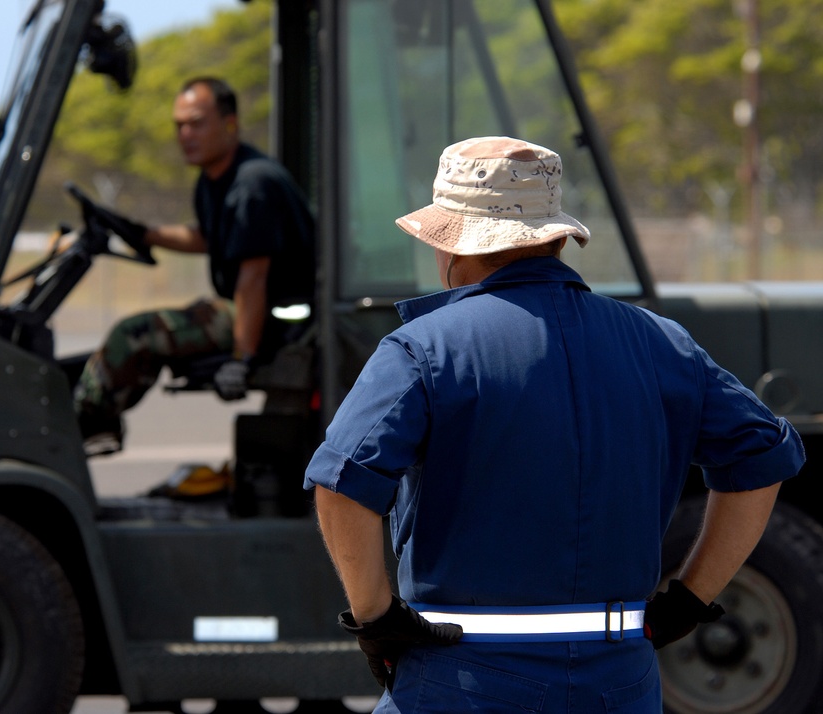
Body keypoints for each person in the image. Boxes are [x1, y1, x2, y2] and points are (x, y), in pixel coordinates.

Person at [303, 136, 805, 712]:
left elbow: (341, 484)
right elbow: (763, 460)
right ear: (558, 237)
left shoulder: (422, 348)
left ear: (455, 247)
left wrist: (376, 618)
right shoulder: (663, 343)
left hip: (463, 676)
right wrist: (691, 598)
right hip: (620, 678)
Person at [75, 76, 316, 455]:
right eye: (179, 125)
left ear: (230, 123)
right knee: (145, 336)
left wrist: (242, 359)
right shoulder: (215, 178)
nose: (185, 134)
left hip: (281, 320)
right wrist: (143, 233)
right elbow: (209, 238)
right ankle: (93, 415)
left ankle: (88, 425)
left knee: (133, 335)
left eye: (197, 123)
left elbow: (253, 277)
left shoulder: (253, 185)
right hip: (252, 308)